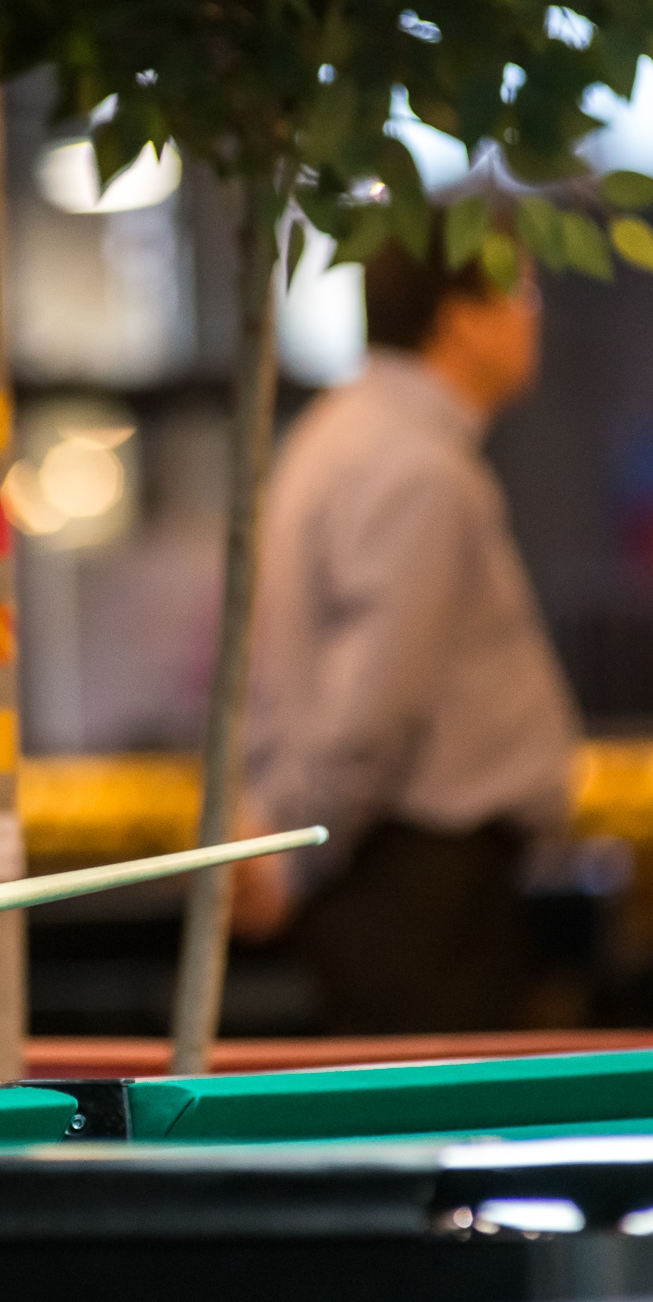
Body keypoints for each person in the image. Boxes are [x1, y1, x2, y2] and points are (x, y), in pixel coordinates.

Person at [230, 228, 581, 1034]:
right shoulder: (415, 464)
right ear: (460, 320)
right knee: (443, 1110)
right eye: (521, 294)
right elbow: (372, 702)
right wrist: (294, 857)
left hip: (397, 874)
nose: (537, 316)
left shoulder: (346, 431)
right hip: (413, 881)